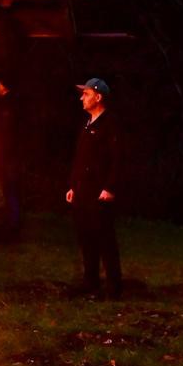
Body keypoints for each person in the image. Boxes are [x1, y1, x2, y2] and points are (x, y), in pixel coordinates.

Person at [66, 77, 122, 299]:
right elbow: (80, 158)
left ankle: (114, 286)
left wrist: (110, 187)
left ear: (98, 97)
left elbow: (118, 159)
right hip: (83, 190)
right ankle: (90, 281)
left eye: (86, 94)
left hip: (99, 191)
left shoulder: (110, 125)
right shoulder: (87, 123)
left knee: (104, 238)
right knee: (86, 236)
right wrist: (73, 185)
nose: (82, 98)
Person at [0, 77, 21, 238]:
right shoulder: (6, 104)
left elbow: (4, 134)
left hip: (7, 158)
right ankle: (10, 223)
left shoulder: (8, 105)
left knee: (10, 190)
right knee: (9, 191)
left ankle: (12, 226)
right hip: (7, 157)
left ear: (3, 86)